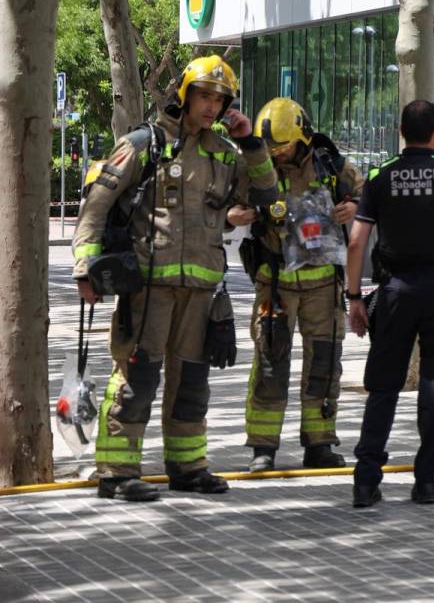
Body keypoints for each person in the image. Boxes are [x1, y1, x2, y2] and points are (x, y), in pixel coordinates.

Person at [72, 56, 278, 501]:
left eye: (220, 100)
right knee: (137, 377)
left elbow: (266, 194)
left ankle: (188, 466)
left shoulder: (224, 153)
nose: (211, 106)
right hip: (147, 289)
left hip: (201, 292)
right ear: (184, 94)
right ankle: (115, 471)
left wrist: (250, 143)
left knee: (192, 382)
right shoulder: (144, 143)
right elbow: (98, 203)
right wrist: (86, 265)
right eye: (204, 95)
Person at [345, 100, 434, 508]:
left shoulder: (379, 176)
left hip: (393, 294)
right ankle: (427, 482)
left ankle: (365, 481)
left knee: (383, 388)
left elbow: (356, 241)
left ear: (400, 132)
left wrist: (354, 298)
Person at [241, 98, 364, 472]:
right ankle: (263, 448)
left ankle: (320, 443)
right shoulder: (256, 167)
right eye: (271, 150)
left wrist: (354, 207)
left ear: (303, 137)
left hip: (323, 285)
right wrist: (235, 215)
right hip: (274, 281)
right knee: (270, 362)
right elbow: (226, 207)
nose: (276, 156)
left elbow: (369, 196)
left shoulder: (330, 164)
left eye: (283, 148)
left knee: (324, 365)